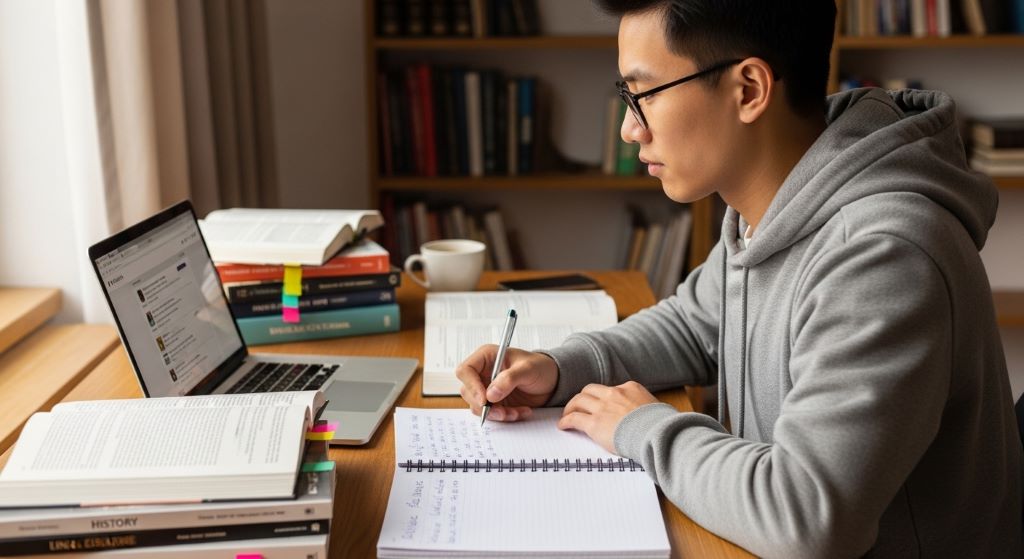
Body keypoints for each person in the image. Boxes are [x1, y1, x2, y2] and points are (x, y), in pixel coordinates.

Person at [455, 1, 1023, 557]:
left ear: (749, 89)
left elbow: (807, 518)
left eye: (643, 94)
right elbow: (693, 323)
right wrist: (557, 367)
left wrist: (642, 429)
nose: (630, 129)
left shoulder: (882, 255)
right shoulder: (775, 199)